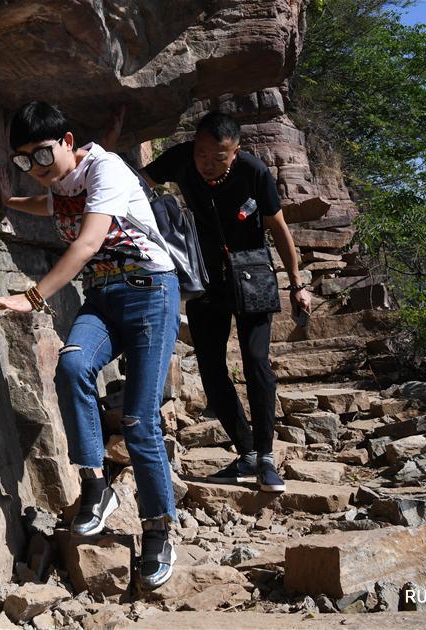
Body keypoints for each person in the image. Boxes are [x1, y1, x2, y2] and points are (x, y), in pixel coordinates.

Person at [0, 101, 180, 590]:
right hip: (103, 298)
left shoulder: (105, 168)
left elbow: (88, 242)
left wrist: (33, 296)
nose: (37, 169)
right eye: (25, 160)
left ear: (67, 142)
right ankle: (96, 486)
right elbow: (48, 205)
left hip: (149, 291)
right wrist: (8, 200)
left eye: (43, 154)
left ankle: (158, 530)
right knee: (72, 368)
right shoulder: (63, 183)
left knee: (138, 420)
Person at [136, 111, 313, 493]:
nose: (207, 164)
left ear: (236, 153)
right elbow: (138, 183)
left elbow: (278, 228)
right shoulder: (181, 158)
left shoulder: (254, 171)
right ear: (193, 145)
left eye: (219, 157)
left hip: (254, 272)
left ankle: (266, 457)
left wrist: (297, 283)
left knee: (255, 360)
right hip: (204, 276)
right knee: (211, 366)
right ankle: (246, 451)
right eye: (202, 154)